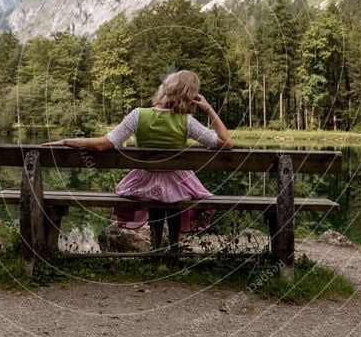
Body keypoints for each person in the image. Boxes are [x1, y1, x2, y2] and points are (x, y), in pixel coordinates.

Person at [43, 70, 233, 250]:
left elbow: (102, 144)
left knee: (157, 193)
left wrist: (67, 141)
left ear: (164, 89)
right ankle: (173, 249)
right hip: (178, 185)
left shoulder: (137, 115)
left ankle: (156, 247)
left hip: (144, 184)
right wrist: (209, 109)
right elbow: (227, 143)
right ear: (192, 96)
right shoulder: (187, 122)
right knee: (173, 193)